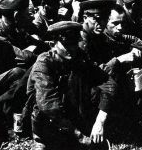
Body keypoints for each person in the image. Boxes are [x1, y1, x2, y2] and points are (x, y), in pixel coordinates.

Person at [28, 21, 117, 150]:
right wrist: (80, 136)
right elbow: (48, 105)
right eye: (66, 45)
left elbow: (108, 83)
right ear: (53, 44)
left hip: (72, 117)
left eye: (74, 44)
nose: (72, 49)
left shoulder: (78, 57)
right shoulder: (44, 63)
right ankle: (41, 140)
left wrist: (100, 122)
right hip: (49, 121)